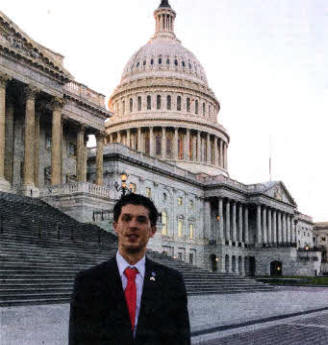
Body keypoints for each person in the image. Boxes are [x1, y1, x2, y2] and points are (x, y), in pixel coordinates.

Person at [69, 193, 191, 345]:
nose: (133, 225)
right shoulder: (87, 282)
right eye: (126, 218)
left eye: (141, 220)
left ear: (152, 230)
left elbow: (181, 340)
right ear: (115, 226)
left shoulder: (172, 281)